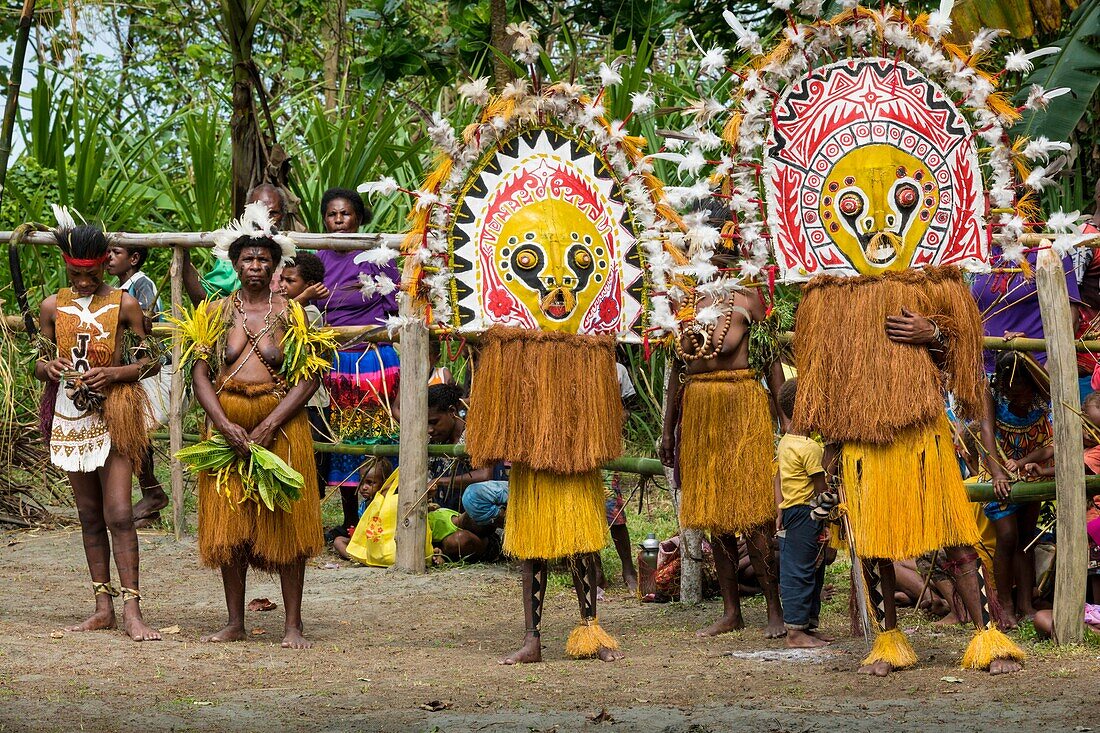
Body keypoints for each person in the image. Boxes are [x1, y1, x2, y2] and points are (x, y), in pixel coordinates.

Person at [180, 203, 328, 649]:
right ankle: (234, 622)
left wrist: (269, 425)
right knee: (229, 525)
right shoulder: (214, 312)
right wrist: (222, 424)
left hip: (281, 426)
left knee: (287, 520)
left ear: (277, 264)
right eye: (248, 258)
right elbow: (200, 373)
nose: (256, 265)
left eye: (264, 258)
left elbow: (309, 376)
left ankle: (292, 625)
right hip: (227, 425)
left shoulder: (295, 313)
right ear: (234, 263)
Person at [36, 219, 162, 641]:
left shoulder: (125, 304)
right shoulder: (52, 306)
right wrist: (49, 368)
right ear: (66, 268)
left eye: (92, 273)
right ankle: (102, 607)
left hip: (117, 413)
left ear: (106, 264)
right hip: (71, 416)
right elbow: (39, 361)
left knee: (121, 514)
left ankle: (133, 610)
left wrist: (114, 374)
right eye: (76, 275)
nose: (86, 281)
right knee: (89, 515)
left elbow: (151, 361)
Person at [660, 268, 786, 638]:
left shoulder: (747, 300)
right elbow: (677, 371)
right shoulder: (680, 304)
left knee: (756, 514)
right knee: (714, 514)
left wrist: (786, 420)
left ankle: (773, 608)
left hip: (742, 405)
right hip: (699, 411)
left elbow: (772, 360)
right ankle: (732, 611)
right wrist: (669, 429)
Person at [315, 187, 400, 537]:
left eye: (345, 214)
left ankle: (385, 519)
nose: (338, 221)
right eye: (332, 215)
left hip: (376, 360)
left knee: (382, 438)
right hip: (337, 361)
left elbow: (397, 304)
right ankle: (352, 520)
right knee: (343, 442)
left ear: (359, 219)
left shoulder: (378, 256)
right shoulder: (317, 256)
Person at [979, 352, 1052, 628]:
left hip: (1029, 472)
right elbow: (986, 432)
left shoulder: (1041, 390)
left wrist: (1023, 352)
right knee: (1007, 537)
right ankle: (1004, 606)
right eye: (1011, 389)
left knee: (1026, 539)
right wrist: (997, 472)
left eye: (1021, 388)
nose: (1016, 395)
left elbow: (1047, 442)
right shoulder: (991, 393)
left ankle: (1025, 604)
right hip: (996, 469)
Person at [105, 242, 169, 527]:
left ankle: (152, 492)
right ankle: (151, 497)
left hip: (150, 370)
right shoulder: (117, 288)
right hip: (133, 370)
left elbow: (148, 326)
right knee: (132, 429)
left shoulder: (141, 285)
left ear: (133, 258)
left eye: (116, 253)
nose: (109, 257)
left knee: (135, 428)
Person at [774, 379, 831, 649]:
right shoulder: (810, 448)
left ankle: (806, 625)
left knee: (811, 569)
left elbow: (778, 478)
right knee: (800, 571)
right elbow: (822, 489)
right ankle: (795, 633)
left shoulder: (787, 442)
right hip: (806, 513)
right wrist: (831, 514)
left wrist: (779, 507)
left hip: (793, 511)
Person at [182, 183, 289, 305]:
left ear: (283, 215)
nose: (265, 219)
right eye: (259, 211)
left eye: (273, 213)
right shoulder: (229, 259)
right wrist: (185, 264)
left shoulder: (299, 253)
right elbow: (205, 302)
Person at [279, 252, 331, 497]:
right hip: (289, 396)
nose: (282, 286)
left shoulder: (309, 312)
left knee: (309, 460)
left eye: (290, 281)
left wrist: (303, 298)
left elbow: (283, 319)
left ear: (309, 287)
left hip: (310, 400)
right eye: (281, 280)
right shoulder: (288, 306)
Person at [333, 458, 391, 561]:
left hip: (379, 541)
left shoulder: (384, 501)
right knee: (338, 541)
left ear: (385, 483)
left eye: (370, 483)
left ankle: (362, 557)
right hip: (365, 541)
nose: (363, 487)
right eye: (361, 481)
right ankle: (354, 558)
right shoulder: (365, 504)